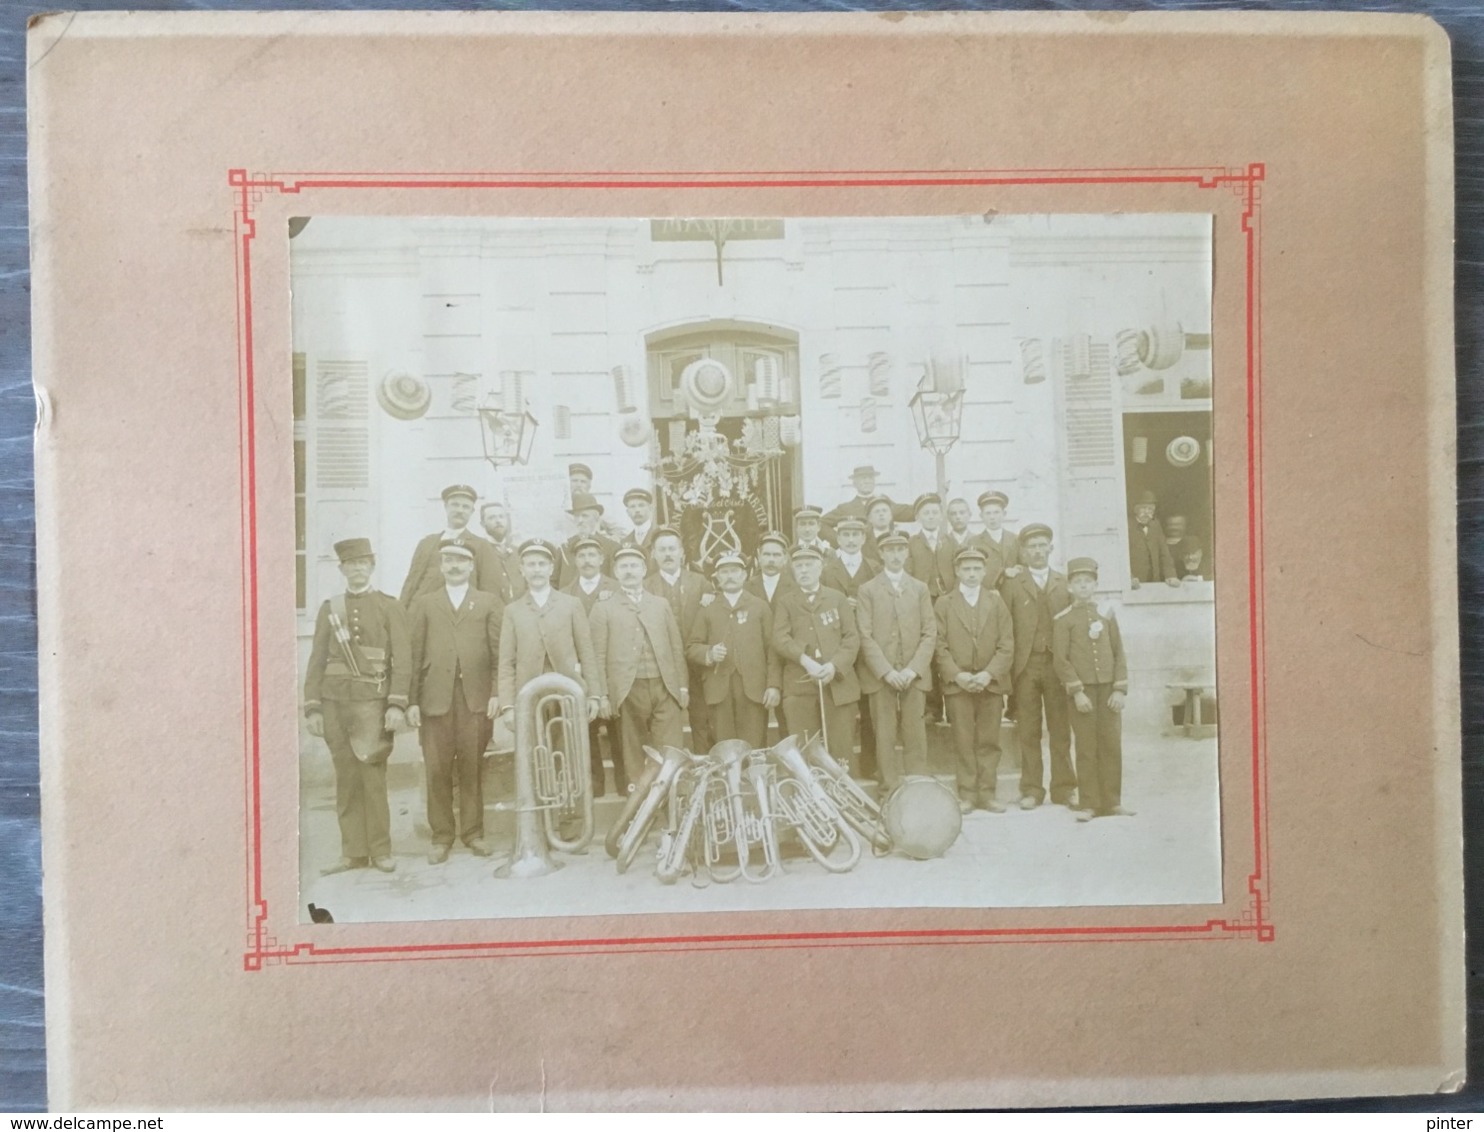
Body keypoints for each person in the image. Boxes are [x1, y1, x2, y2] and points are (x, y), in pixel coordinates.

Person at [303, 538, 410, 876]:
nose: (357, 569)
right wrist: (313, 707)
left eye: (363, 563)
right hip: (335, 705)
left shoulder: (389, 606)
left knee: (373, 778)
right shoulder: (329, 609)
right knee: (346, 779)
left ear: (372, 567)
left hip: (372, 705)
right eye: (351, 564)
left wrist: (396, 704)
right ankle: (352, 853)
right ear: (342, 569)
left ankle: (380, 851)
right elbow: (316, 659)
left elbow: (402, 660)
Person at [407, 541, 504, 864]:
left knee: (472, 767)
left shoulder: (489, 602)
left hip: (475, 699)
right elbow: (413, 654)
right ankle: (441, 836)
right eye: (448, 560)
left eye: (461, 560)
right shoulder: (424, 603)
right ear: (440, 565)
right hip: (434, 699)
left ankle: (474, 833)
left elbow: (497, 653)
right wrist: (411, 701)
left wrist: (495, 693)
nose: (454, 565)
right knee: (437, 770)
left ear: (472, 566)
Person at [496, 537, 603, 761]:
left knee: (571, 752)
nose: (537, 570)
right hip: (529, 695)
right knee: (535, 755)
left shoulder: (571, 604)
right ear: (522, 570)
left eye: (542, 564)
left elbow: (587, 653)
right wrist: (507, 706)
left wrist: (594, 694)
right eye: (531, 564)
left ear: (551, 568)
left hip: (569, 692)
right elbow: (506, 662)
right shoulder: (512, 611)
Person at [591, 546, 689, 785]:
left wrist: (683, 687)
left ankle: (671, 805)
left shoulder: (660, 604)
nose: (629, 571)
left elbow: (676, 649)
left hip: (664, 687)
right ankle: (640, 810)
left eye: (634, 565)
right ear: (615, 571)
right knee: (632, 754)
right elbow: (597, 656)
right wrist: (602, 695)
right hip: (628, 690)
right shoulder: (603, 607)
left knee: (671, 751)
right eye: (623, 566)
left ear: (644, 569)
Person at [855, 531, 936, 797]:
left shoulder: (919, 588)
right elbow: (864, 635)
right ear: (881, 553)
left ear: (907, 553)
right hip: (882, 676)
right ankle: (889, 787)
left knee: (915, 733)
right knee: (884, 734)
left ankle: (917, 787)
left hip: (913, 674)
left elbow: (929, 633)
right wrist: (887, 671)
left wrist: (913, 669)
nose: (895, 555)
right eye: (889, 550)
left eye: (900, 549)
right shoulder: (867, 590)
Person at [935, 546, 1015, 815]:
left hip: (990, 684)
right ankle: (967, 793)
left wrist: (988, 673)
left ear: (984, 572)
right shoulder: (944, 603)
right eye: (966, 569)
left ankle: (987, 793)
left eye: (976, 569)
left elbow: (1006, 644)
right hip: (958, 685)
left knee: (989, 741)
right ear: (957, 571)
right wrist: (958, 675)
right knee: (963, 739)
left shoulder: (996, 601)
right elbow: (939, 645)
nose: (971, 574)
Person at [1052, 557, 1132, 821]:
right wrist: (1077, 692)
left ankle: (1112, 801)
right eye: (1077, 582)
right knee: (1086, 747)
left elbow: (1119, 652)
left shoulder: (1107, 614)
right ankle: (1089, 803)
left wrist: (1119, 689)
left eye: (1088, 582)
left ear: (1095, 585)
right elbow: (1060, 660)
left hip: (1108, 690)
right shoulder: (1063, 619)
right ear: (1069, 587)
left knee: (1111, 744)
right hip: (1083, 693)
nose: (1083, 586)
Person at [1002, 523, 1075, 809]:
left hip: (1056, 666)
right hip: (1026, 667)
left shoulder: (1063, 582)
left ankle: (1064, 788)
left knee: (1059, 728)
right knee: (1028, 730)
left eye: (1042, 545)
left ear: (1050, 548)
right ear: (1023, 551)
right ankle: (1032, 789)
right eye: (1031, 546)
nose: (1037, 551)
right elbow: (1005, 626)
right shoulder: (1013, 584)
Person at [773, 544, 862, 773]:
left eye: (809, 565)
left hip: (839, 686)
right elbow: (780, 639)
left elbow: (852, 638)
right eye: (799, 566)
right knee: (804, 751)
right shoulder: (785, 601)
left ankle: (843, 799)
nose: (804, 570)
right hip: (800, 687)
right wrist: (805, 660)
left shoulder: (837, 598)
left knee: (841, 751)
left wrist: (834, 666)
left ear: (820, 567)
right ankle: (810, 802)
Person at [686, 552, 781, 749]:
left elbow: (772, 650)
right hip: (719, 688)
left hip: (754, 688)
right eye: (724, 572)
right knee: (724, 747)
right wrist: (709, 653)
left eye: (735, 571)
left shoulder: (759, 606)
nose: (729, 576)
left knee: (754, 745)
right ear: (717, 578)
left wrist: (773, 685)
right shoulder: (708, 607)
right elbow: (692, 647)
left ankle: (755, 780)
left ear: (744, 575)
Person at [561, 537, 626, 797]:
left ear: (602, 559)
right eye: (582, 555)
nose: (587, 560)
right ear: (576, 561)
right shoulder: (564, 593)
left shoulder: (618, 587)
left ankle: (625, 784)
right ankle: (594, 786)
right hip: (579, 671)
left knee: (618, 729)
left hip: (612, 668)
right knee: (585, 729)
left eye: (592, 554)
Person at [645, 527, 716, 754]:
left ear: (682, 553)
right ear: (654, 555)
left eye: (672, 549)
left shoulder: (701, 583)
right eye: (662, 550)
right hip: (661, 664)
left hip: (696, 665)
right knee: (664, 722)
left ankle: (705, 766)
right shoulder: (646, 586)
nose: (668, 554)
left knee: (701, 718)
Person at [399, 484, 499, 606]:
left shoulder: (481, 546)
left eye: (465, 507)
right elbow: (411, 583)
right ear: (446, 506)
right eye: (455, 505)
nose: (460, 510)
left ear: (472, 512)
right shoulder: (427, 543)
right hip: (422, 616)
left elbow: (490, 590)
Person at [822, 464, 914, 536]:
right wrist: (840, 541)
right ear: (854, 483)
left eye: (870, 477)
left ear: (874, 481)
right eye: (862, 478)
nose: (867, 481)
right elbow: (821, 524)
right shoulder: (845, 508)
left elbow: (912, 512)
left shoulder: (885, 503)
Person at [556, 493, 618, 590]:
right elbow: (553, 581)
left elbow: (615, 582)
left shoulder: (611, 546)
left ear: (596, 518)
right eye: (577, 516)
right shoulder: (564, 547)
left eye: (585, 516)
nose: (580, 520)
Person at [906, 492, 956, 601]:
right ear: (918, 518)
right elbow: (907, 573)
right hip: (921, 598)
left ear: (942, 516)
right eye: (926, 513)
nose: (931, 517)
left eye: (935, 512)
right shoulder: (911, 543)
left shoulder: (950, 541)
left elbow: (957, 571)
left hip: (948, 597)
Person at [969, 490, 1021, 588]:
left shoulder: (1015, 539)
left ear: (1004, 514)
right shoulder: (974, 542)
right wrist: (1003, 572)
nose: (992, 517)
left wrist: (1017, 570)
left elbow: (1023, 566)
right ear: (981, 516)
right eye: (988, 513)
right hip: (987, 592)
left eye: (996, 512)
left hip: (1013, 593)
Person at [1128, 490, 1180, 588]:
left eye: (1150, 509)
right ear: (1135, 509)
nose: (1147, 512)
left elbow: (1164, 553)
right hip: (1135, 583)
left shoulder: (1155, 525)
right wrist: (1129, 577)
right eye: (1143, 508)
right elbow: (1121, 556)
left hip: (1154, 581)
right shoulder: (1127, 526)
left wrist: (1171, 575)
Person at [822, 517, 878, 606]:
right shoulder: (826, 572)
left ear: (863, 538)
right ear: (838, 539)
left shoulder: (875, 569)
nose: (851, 540)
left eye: (855, 534)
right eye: (846, 535)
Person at [478, 501, 525, 603]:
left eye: (501, 517)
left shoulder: (518, 552)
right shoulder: (478, 552)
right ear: (482, 524)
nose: (498, 521)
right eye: (492, 518)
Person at [745, 531, 797, 611]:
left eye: (776, 555)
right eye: (766, 554)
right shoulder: (746, 588)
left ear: (785, 559)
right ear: (759, 557)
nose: (771, 560)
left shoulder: (795, 589)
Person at [620, 487, 660, 564]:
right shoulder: (625, 542)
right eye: (632, 506)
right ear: (627, 512)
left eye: (641, 505)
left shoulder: (660, 535)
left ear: (650, 508)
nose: (637, 510)